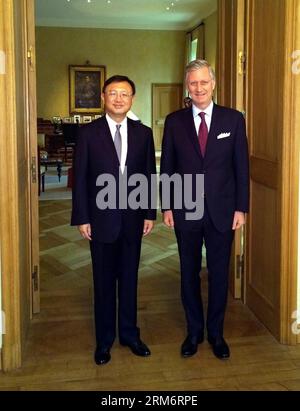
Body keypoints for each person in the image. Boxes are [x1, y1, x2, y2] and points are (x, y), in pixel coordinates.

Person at [160, 60, 249, 360]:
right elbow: (167, 168)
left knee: (219, 273)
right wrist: (167, 206)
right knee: (188, 273)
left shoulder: (233, 119)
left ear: (213, 84)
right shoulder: (174, 121)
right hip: (185, 209)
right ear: (187, 86)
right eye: (193, 83)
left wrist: (241, 208)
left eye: (203, 82)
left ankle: (216, 333)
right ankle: (193, 331)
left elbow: (241, 167)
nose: (198, 88)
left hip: (223, 211)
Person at [71, 75, 156, 365]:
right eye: (113, 93)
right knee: (104, 282)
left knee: (130, 279)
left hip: (133, 219)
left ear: (132, 99)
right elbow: (80, 178)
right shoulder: (88, 134)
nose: (119, 98)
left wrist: (148, 213)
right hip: (101, 219)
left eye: (125, 94)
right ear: (103, 97)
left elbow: (148, 175)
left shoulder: (143, 133)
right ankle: (104, 340)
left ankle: (130, 335)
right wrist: (82, 217)